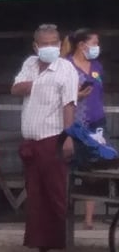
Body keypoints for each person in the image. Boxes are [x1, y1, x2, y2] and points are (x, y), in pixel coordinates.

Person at [12, 23, 78, 251]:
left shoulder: (66, 69)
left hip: (53, 139)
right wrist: (36, 82)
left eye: (54, 43)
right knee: (36, 197)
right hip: (30, 142)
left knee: (55, 194)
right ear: (35, 46)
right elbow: (15, 89)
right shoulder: (29, 64)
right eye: (45, 44)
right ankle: (40, 245)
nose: (50, 47)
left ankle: (61, 244)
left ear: (60, 45)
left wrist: (68, 137)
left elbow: (69, 104)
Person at [63, 28, 105, 229]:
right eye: (94, 43)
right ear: (81, 45)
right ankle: (65, 215)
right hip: (74, 122)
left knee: (94, 168)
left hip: (96, 122)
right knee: (70, 166)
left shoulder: (97, 66)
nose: (97, 47)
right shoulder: (66, 65)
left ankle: (89, 219)